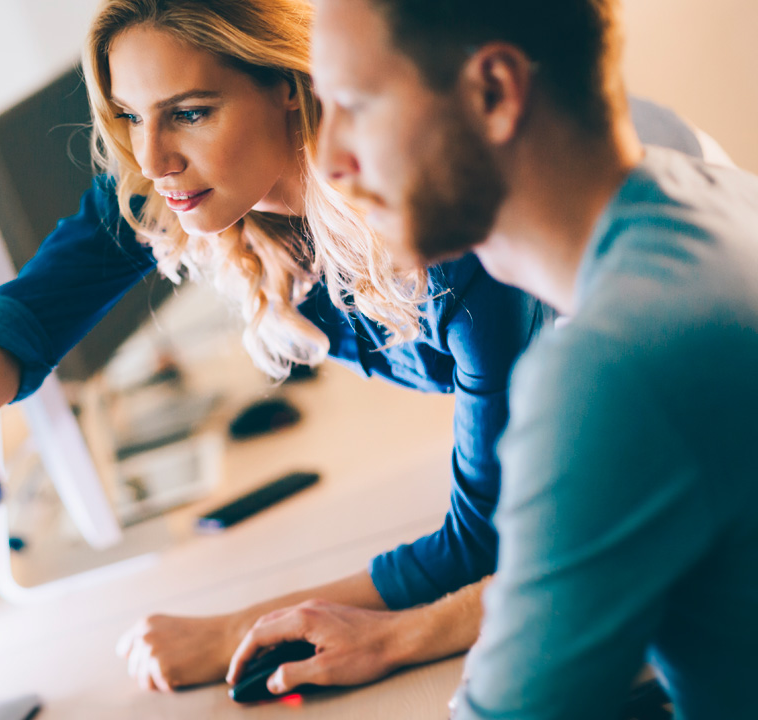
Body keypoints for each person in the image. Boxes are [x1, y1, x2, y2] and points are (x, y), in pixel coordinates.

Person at [0, 0, 699, 699]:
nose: (151, 160)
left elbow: (488, 538)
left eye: (189, 112)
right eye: (127, 117)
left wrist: (235, 628)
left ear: (289, 88)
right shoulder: (184, 186)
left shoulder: (448, 215)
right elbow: (20, 323)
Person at [230, 0, 758, 717]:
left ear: (493, 94)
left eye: (355, 105)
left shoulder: (613, 365)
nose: (328, 160)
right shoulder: (708, 199)